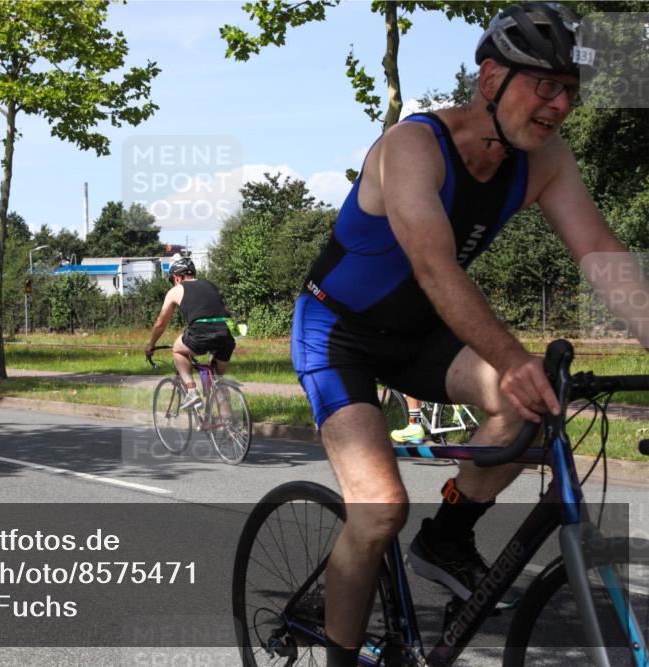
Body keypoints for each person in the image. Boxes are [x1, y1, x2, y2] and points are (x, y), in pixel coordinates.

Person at [289, 4, 649, 665]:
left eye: (570, 89)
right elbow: (432, 262)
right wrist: (510, 357)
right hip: (337, 330)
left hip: (419, 331)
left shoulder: (544, 160)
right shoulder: (412, 146)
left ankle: (447, 539)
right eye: (545, 84)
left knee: (530, 405)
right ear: (490, 78)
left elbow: (600, 251)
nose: (560, 104)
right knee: (377, 511)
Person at [145, 255, 236, 409]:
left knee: (178, 350)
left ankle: (192, 391)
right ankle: (231, 425)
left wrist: (150, 345)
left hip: (201, 331)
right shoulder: (209, 284)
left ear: (177, 278)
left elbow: (160, 324)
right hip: (227, 331)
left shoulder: (176, 290)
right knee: (217, 380)